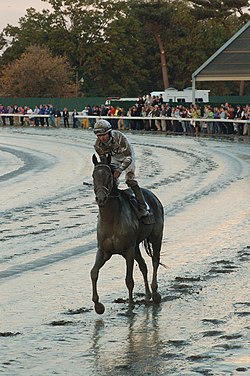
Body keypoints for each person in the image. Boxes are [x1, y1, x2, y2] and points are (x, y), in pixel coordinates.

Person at [93, 119, 148, 217]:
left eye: (104, 135)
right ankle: (105, 207)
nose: (102, 138)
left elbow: (128, 157)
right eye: (99, 136)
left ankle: (142, 205)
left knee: (129, 180)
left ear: (109, 132)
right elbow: (105, 162)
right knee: (110, 181)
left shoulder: (119, 137)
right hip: (113, 158)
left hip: (126, 155)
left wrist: (120, 169)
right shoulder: (98, 145)